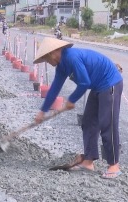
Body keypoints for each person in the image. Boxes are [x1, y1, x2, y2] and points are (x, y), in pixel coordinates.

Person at [34, 37, 123, 179]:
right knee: (88, 121)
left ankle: (114, 165)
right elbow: (55, 88)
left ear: (53, 53)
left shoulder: (71, 58)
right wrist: (42, 111)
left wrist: (71, 100)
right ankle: (88, 161)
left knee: (108, 123)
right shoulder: (61, 66)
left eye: (46, 58)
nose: (48, 62)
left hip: (109, 82)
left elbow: (84, 82)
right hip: (97, 86)